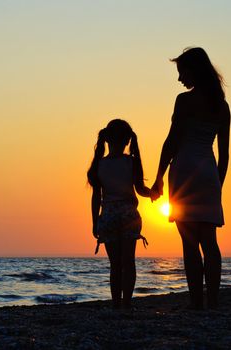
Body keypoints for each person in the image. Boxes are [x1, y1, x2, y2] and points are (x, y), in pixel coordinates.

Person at [151, 47, 231, 310]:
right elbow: (225, 154)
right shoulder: (222, 106)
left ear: (193, 70)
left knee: (190, 244)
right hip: (208, 173)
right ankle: (214, 302)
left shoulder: (184, 101)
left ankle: (197, 302)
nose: (179, 79)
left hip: (184, 171)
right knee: (210, 243)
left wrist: (159, 177)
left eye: (181, 72)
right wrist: (218, 184)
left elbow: (171, 142)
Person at [87, 119, 153, 309]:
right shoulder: (131, 162)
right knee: (128, 262)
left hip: (108, 216)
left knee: (115, 264)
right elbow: (140, 189)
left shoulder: (99, 164)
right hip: (128, 216)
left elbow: (95, 198)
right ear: (127, 141)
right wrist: (153, 194)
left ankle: (116, 303)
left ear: (106, 139)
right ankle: (126, 302)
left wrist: (94, 222)